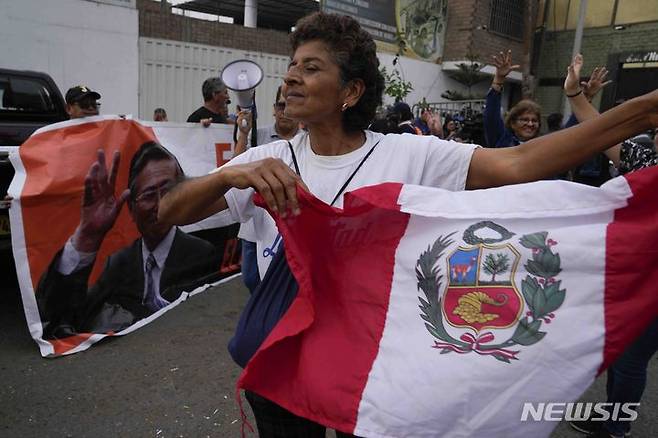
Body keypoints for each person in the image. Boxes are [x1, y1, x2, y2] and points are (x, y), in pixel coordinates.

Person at [158, 12, 658, 437]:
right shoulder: (266, 158)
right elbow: (169, 213)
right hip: (286, 365)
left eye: (310, 68)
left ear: (350, 90)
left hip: (379, 370)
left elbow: (519, 164)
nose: (289, 78)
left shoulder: (410, 154)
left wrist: (643, 112)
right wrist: (230, 175)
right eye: (291, 67)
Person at [36, 142, 218, 339]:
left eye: (168, 193)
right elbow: (63, 316)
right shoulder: (119, 263)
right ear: (131, 209)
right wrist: (87, 237)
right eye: (149, 195)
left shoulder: (202, 253)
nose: (161, 205)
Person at [564, 55, 657, 438]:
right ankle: (612, 419)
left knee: (632, 358)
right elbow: (597, 129)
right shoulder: (644, 160)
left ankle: (616, 429)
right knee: (621, 353)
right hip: (635, 279)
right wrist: (573, 92)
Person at [240, 86, 301, 293]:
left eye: (287, 106)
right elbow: (236, 165)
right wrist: (242, 135)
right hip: (256, 221)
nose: (284, 111)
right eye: (280, 106)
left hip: (291, 221)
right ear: (274, 109)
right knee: (251, 277)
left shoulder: (307, 140)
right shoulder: (258, 133)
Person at [483, 50, 542, 147]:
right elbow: (491, 116)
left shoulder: (544, 147)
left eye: (534, 121)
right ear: (513, 123)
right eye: (525, 120)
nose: (530, 124)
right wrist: (498, 79)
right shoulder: (502, 140)